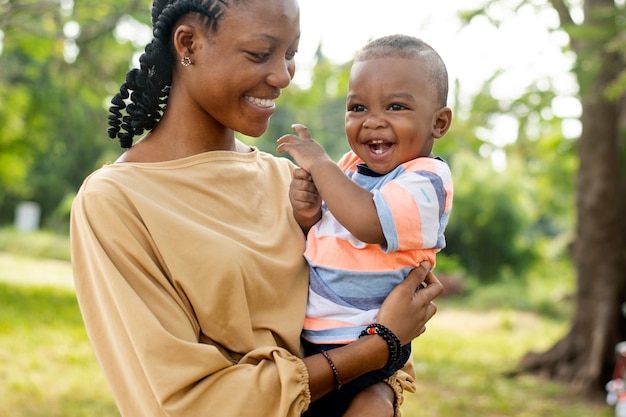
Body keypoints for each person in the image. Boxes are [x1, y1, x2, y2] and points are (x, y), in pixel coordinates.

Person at [70, 1, 444, 416]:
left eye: (291, 54)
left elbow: (374, 309)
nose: (282, 76)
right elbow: (188, 403)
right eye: (259, 54)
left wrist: (381, 377)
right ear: (188, 43)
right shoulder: (117, 202)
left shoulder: (294, 184)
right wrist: (377, 348)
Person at [277, 34, 453, 416]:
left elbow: (368, 223)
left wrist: (320, 166)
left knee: (369, 403)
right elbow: (331, 234)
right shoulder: (349, 169)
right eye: (358, 107)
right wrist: (309, 213)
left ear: (438, 122)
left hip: (370, 340)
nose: (373, 121)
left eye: (395, 106)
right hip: (319, 341)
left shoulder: (426, 181)